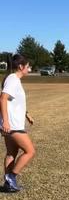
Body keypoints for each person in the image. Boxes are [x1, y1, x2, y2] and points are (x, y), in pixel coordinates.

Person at [0, 54, 35, 192]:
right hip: (12, 125)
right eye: (28, 66)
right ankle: (11, 177)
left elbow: (12, 101)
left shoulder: (14, 80)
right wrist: (6, 122)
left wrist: (27, 114)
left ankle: (8, 184)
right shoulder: (13, 79)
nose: (29, 69)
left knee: (11, 154)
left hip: (11, 124)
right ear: (21, 67)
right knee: (30, 151)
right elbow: (2, 98)